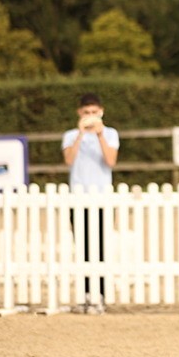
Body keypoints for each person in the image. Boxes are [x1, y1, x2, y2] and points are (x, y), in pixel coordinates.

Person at [62, 92, 119, 313]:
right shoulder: (70, 135)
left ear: (101, 112)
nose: (90, 116)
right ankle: (86, 293)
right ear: (79, 113)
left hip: (102, 196)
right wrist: (80, 133)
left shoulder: (110, 134)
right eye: (87, 113)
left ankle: (101, 294)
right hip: (78, 196)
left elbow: (110, 160)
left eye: (94, 112)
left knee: (102, 247)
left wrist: (100, 134)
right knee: (83, 246)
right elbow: (68, 159)